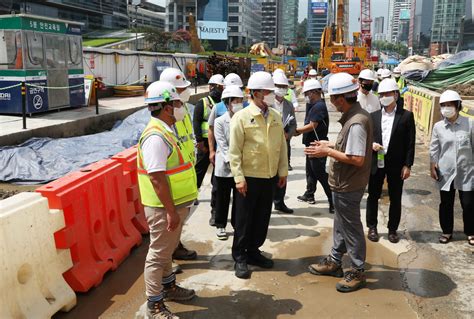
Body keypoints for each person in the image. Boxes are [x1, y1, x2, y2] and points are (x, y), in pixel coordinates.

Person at [305, 72, 373, 293]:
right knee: (341, 224)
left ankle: (357, 270)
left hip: (349, 184)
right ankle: (334, 260)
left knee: (351, 228)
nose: (332, 104)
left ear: (341, 99)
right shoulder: (355, 118)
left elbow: (357, 158)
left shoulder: (356, 122)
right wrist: (330, 144)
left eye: (332, 99)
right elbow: (350, 146)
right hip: (344, 183)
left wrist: (327, 151)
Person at [137, 81, 197, 318]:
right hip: (163, 208)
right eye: (177, 103)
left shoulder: (166, 129)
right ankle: (155, 305)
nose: (181, 107)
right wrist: (171, 211)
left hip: (173, 205)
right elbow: (157, 179)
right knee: (158, 254)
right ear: (166, 107)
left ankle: (169, 286)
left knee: (167, 249)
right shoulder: (155, 137)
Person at [229, 71, 288, 279]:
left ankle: (253, 252)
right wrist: (238, 178)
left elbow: (281, 147)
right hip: (249, 178)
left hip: (270, 176)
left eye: (271, 91)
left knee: (262, 218)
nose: (271, 94)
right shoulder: (241, 118)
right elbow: (234, 151)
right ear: (254, 93)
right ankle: (240, 257)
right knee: (244, 219)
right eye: (267, 91)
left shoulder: (275, 116)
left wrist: (283, 172)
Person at [365, 78, 416, 243]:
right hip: (376, 162)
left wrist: (408, 165)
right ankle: (372, 227)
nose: (384, 97)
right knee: (373, 195)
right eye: (381, 94)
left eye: (387, 93)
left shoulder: (406, 116)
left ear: (395, 94)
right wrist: (371, 144)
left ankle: (392, 229)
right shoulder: (373, 116)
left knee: (395, 197)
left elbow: (410, 143)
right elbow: (368, 137)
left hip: (396, 164)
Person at [160, 68, 198, 263]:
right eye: (181, 88)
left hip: (184, 177)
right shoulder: (165, 116)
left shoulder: (182, 110)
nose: (185, 91)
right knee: (167, 225)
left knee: (181, 219)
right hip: (170, 180)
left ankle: (176, 246)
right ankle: (167, 264)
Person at [430, 90, 473, 245]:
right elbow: (434, 148)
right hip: (445, 171)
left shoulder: (470, 124)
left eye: (450, 105)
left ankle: (471, 232)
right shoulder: (438, 127)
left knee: (468, 203)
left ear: (458, 106)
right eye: (443, 105)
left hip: (467, 171)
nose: (446, 108)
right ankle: (446, 231)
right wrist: (432, 164)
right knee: (446, 203)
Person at [295, 79, 334, 213]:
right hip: (311, 143)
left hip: (318, 145)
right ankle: (309, 194)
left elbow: (313, 125)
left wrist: (298, 131)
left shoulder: (318, 106)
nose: (306, 96)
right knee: (310, 171)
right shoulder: (312, 104)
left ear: (313, 92)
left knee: (319, 173)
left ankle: (332, 199)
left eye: (307, 93)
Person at [192, 74, 224, 224]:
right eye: (215, 87)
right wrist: (199, 141)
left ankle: (215, 196)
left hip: (219, 142)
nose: (217, 89)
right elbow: (196, 122)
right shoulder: (203, 103)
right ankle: (193, 193)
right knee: (200, 169)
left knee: (216, 173)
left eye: (219, 87)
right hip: (205, 142)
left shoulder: (223, 103)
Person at [213, 85, 244, 240]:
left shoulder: (244, 120)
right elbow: (223, 145)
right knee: (222, 198)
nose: (238, 103)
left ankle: (237, 225)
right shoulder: (219, 122)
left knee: (239, 200)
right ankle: (220, 225)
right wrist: (234, 161)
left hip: (240, 166)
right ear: (227, 103)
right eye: (235, 101)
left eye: (240, 100)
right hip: (225, 166)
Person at [272, 71, 297, 213]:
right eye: (278, 86)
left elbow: (293, 124)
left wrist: (289, 134)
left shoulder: (288, 105)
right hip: (269, 144)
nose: (281, 89)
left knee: (283, 172)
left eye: (283, 86)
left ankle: (279, 202)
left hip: (284, 143)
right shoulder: (267, 105)